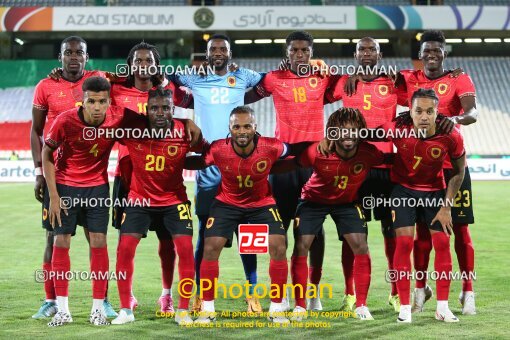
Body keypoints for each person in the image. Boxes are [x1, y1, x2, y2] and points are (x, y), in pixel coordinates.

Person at [171, 34, 263, 313]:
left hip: (242, 164)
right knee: (205, 234)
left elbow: (270, 79)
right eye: (214, 49)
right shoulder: (195, 79)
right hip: (210, 166)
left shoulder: (244, 76)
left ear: (230, 53)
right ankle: (200, 291)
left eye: (223, 49)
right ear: (207, 54)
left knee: (248, 233)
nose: (219, 52)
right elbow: (169, 76)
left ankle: (252, 292)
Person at [245, 31, 336, 311]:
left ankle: (314, 292)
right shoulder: (273, 78)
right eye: (294, 50)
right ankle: (280, 294)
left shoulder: (323, 77)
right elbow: (244, 94)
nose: (299, 54)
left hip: (315, 162)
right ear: (287, 53)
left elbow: (349, 87)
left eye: (304, 50)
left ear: (311, 52)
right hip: (282, 162)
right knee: (277, 228)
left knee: (314, 229)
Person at [30, 36, 117, 319]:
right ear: (60, 57)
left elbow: (135, 77)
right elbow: (36, 131)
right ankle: (51, 301)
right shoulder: (46, 86)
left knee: (97, 239)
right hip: (59, 174)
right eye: (68, 53)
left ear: (87, 56)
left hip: (94, 180)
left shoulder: (99, 78)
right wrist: (39, 173)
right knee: (53, 239)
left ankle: (101, 301)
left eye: (79, 53)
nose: (74, 57)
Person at [41, 77, 139, 327]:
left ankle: (98, 309)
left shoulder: (118, 117)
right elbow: (46, 153)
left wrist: (184, 123)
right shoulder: (65, 120)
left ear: (109, 101)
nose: (97, 107)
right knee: (61, 241)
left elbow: (150, 125)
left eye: (102, 102)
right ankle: (63, 310)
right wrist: (53, 196)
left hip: (96, 188)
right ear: (82, 101)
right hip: (64, 186)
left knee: (99, 242)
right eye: (91, 101)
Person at [190, 106, 299, 324]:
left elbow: (297, 149)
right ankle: (207, 307)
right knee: (210, 247)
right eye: (237, 126)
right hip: (227, 203)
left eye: (247, 126)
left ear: (255, 127)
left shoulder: (270, 146)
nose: (242, 131)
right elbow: (199, 161)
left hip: (261, 203)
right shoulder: (219, 148)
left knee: (279, 245)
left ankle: (277, 307)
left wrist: (320, 148)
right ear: (229, 128)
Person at [323, 37, 407, 313]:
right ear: (355, 54)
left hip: (384, 169)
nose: (367, 53)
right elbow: (313, 90)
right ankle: (350, 294)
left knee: (390, 232)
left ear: (380, 55)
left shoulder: (393, 82)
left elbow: (420, 95)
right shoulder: (345, 81)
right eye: (362, 49)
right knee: (352, 234)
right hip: (353, 170)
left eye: (372, 49)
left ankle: (395, 293)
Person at [396, 30, 478, 315]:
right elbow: (380, 88)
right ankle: (421, 289)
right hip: (423, 170)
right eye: (427, 51)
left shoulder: (459, 78)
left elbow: (473, 113)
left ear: (445, 54)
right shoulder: (408, 78)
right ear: (420, 55)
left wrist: (450, 119)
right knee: (421, 234)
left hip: (453, 166)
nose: (432, 55)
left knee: (459, 231)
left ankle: (468, 290)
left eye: (437, 51)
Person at [110, 41, 193, 313]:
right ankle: (128, 296)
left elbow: (186, 105)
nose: (143, 65)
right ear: (130, 64)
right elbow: (88, 92)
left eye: (149, 61)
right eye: (138, 61)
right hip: (128, 175)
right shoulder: (116, 88)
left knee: (168, 240)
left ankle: (166, 295)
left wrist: (188, 122)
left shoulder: (167, 89)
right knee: (125, 240)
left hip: (164, 177)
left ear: (156, 64)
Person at [290, 107, 390, 321]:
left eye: (354, 130)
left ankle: (361, 305)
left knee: (360, 245)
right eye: (342, 130)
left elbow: (392, 161)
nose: (348, 136)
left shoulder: (369, 153)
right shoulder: (318, 151)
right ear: (332, 132)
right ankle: (301, 304)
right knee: (302, 244)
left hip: (346, 203)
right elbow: (292, 163)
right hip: (312, 200)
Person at [385, 88, 466, 323]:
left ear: (436, 112)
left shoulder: (451, 135)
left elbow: (459, 172)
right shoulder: (396, 128)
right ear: (409, 111)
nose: (423, 116)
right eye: (418, 111)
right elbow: (368, 138)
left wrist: (447, 206)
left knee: (442, 243)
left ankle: (442, 307)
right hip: (403, 189)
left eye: (429, 111)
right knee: (403, 243)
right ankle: (405, 308)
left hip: (434, 191)